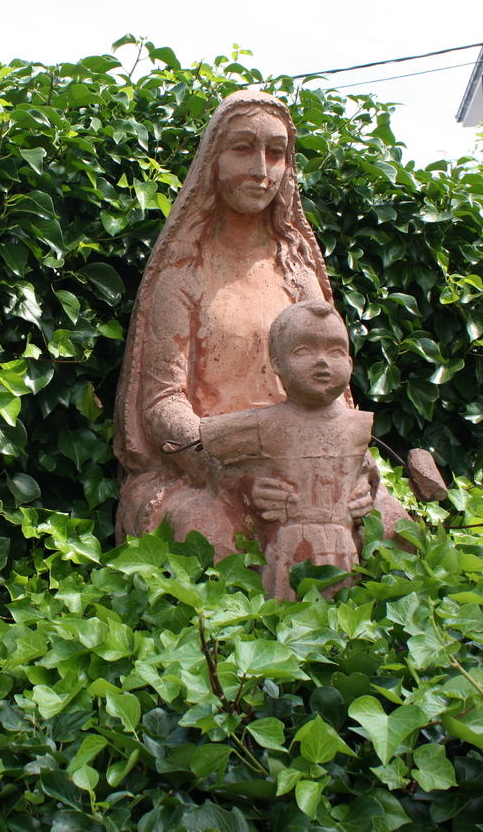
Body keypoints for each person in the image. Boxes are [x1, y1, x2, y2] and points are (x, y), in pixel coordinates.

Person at [114, 89, 403, 560]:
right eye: (243, 148)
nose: (261, 169)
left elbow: (333, 393)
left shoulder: (298, 274)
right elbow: (163, 404)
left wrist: (355, 472)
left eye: (276, 153)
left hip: (307, 464)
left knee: (391, 528)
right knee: (216, 537)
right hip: (203, 472)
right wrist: (229, 472)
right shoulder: (183, 274)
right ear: (213, 161)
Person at [201, 301, 373, 599]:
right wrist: (250, 489)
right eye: (303, 351)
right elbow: (213, 464)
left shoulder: (358, 426)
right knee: (286, 606)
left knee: (344, 607)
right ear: (277, 363)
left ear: (350, 362)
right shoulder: (261, 425)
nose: (322, 362)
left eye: (336, 351)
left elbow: (365, 471)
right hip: (289, 545)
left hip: (342, 546)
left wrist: (364, 491)